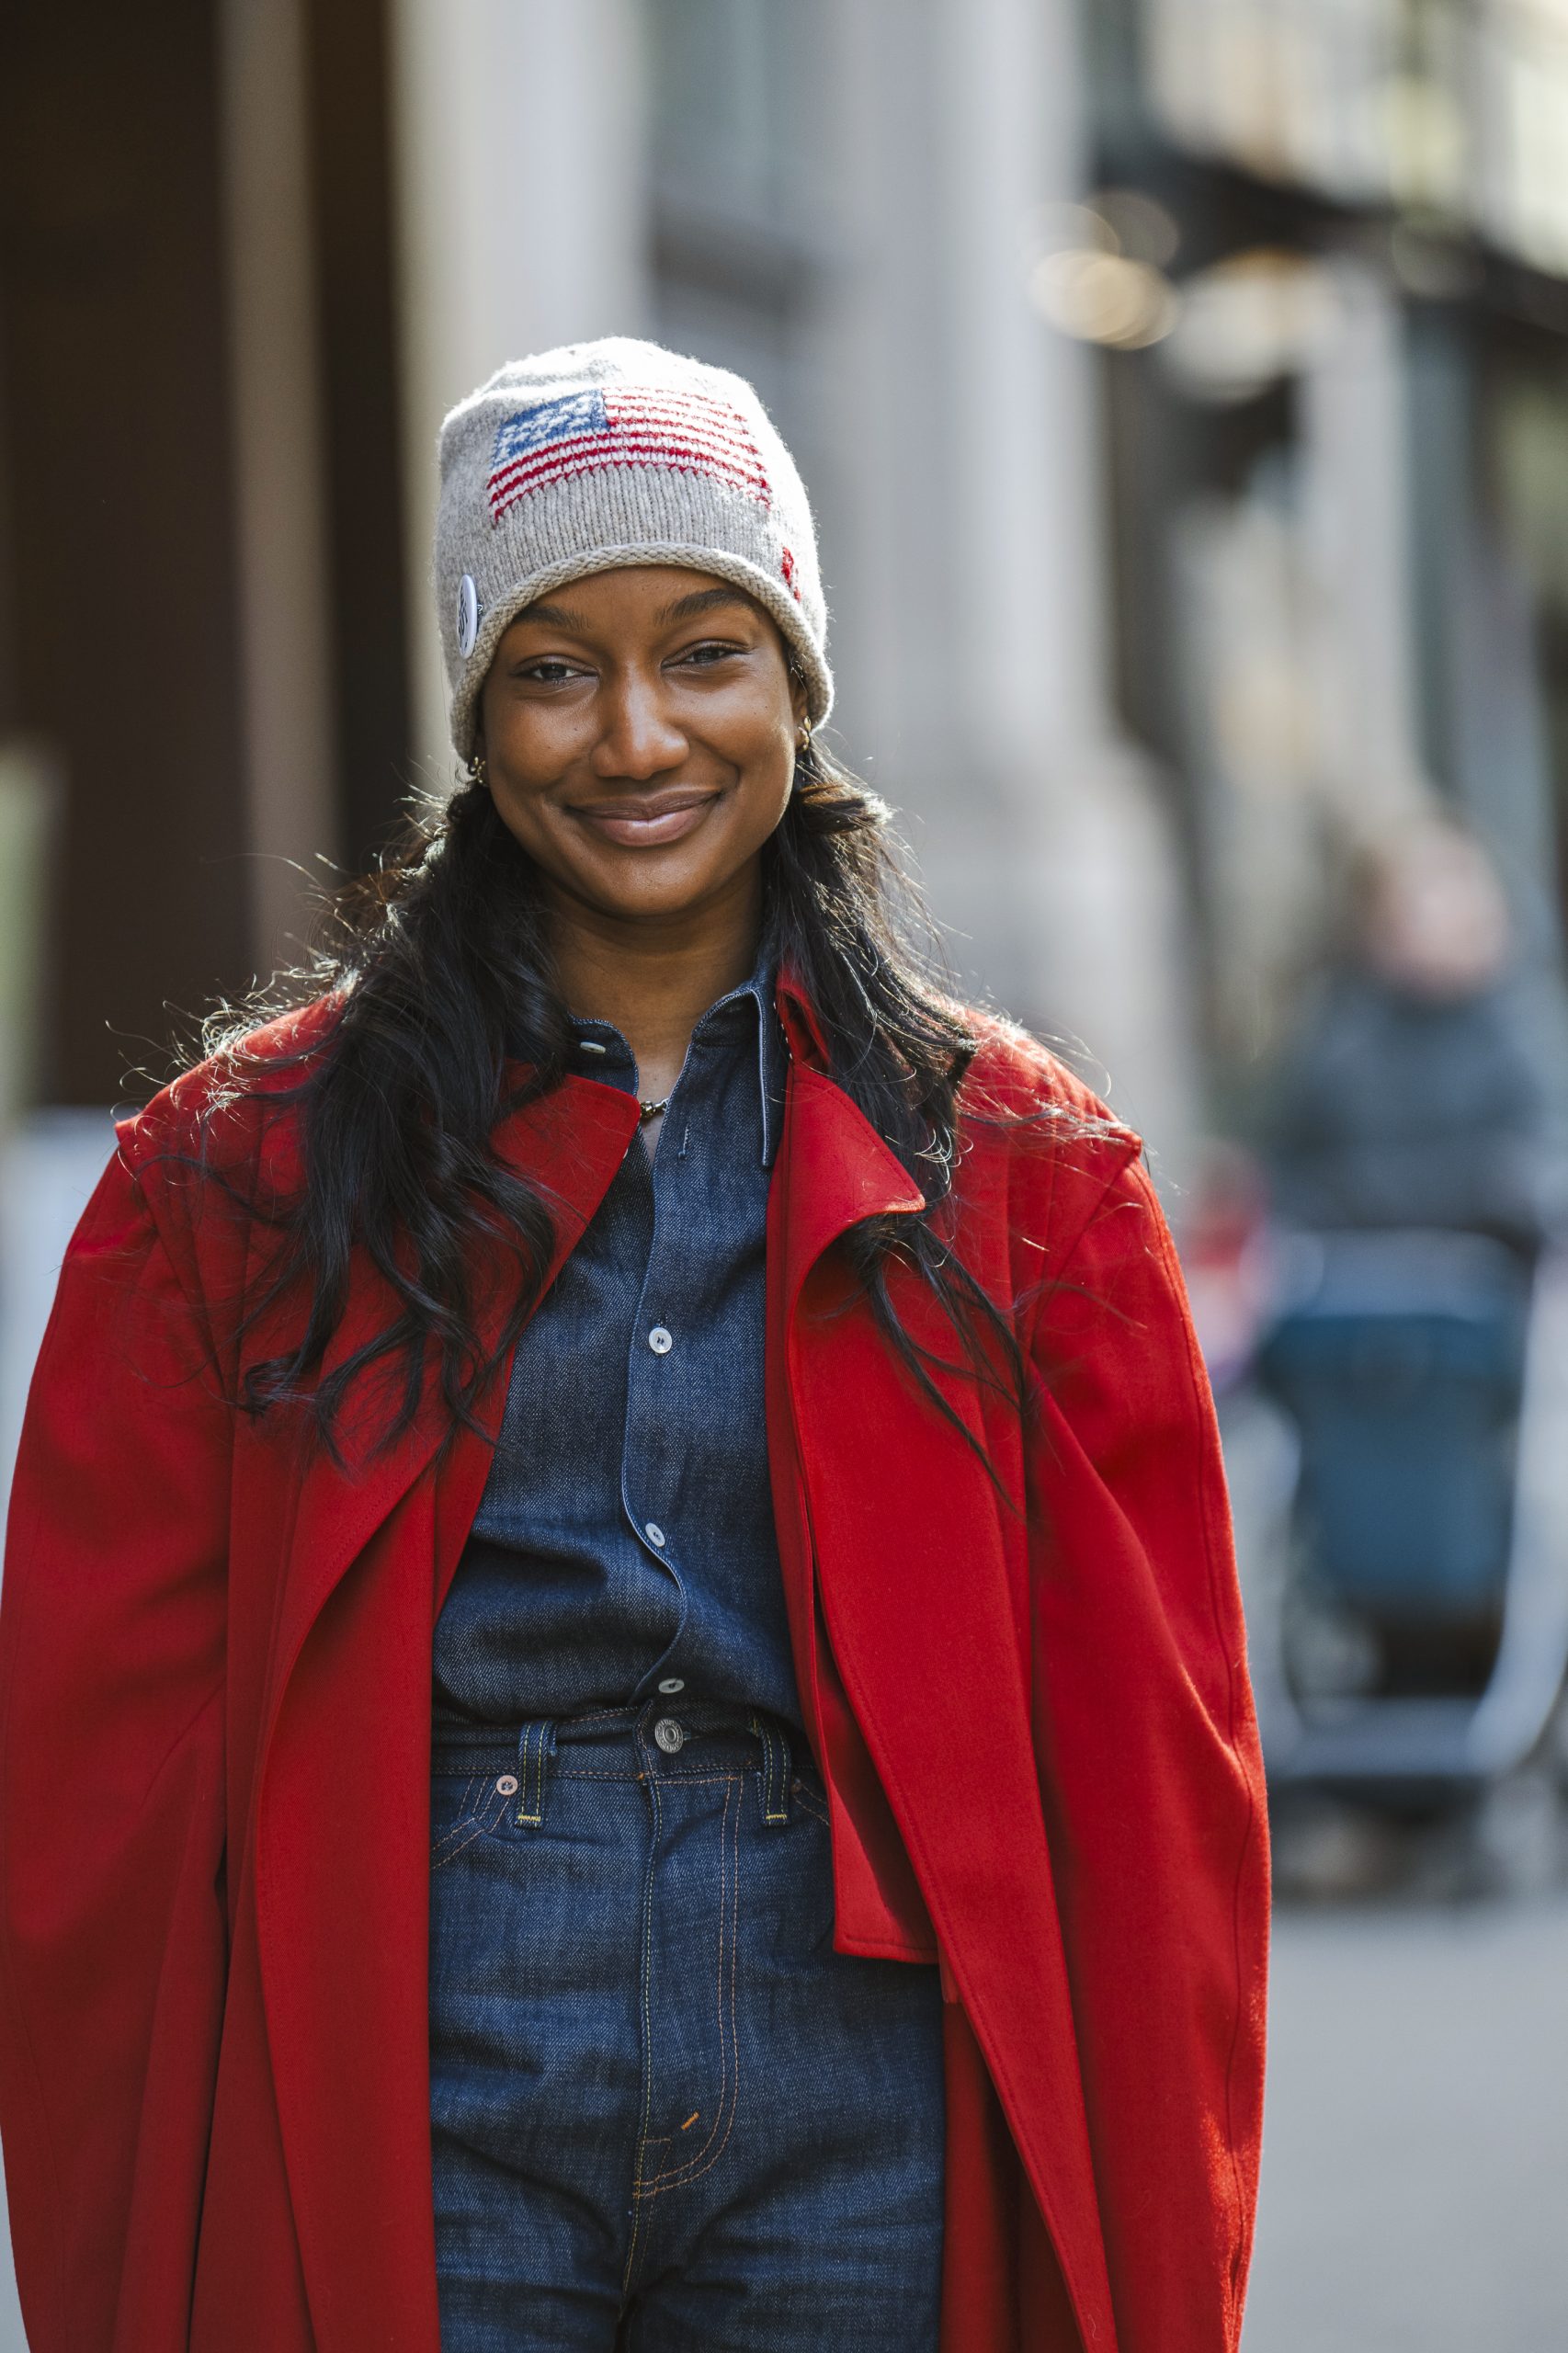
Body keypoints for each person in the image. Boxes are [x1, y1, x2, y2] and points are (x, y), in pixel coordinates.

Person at [0, 339, 1267, 2353]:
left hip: (862, 2081)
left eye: (704, 648)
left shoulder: (1028, 1184)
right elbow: (92, 1793)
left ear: (795, 685)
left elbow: (1159, 1788)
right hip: (432, 2058)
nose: (636, 731)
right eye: (552, 664)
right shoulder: (241, 1179)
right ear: (479, 717)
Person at [1267, 816, 1568, 1256]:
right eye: (1430, 894)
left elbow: (1536, 1178)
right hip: (1366, 1286)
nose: (1461, 911)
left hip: (1494, 1286)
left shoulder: (1524, 1025)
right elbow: (1294, 1186)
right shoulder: (1340, 1037)